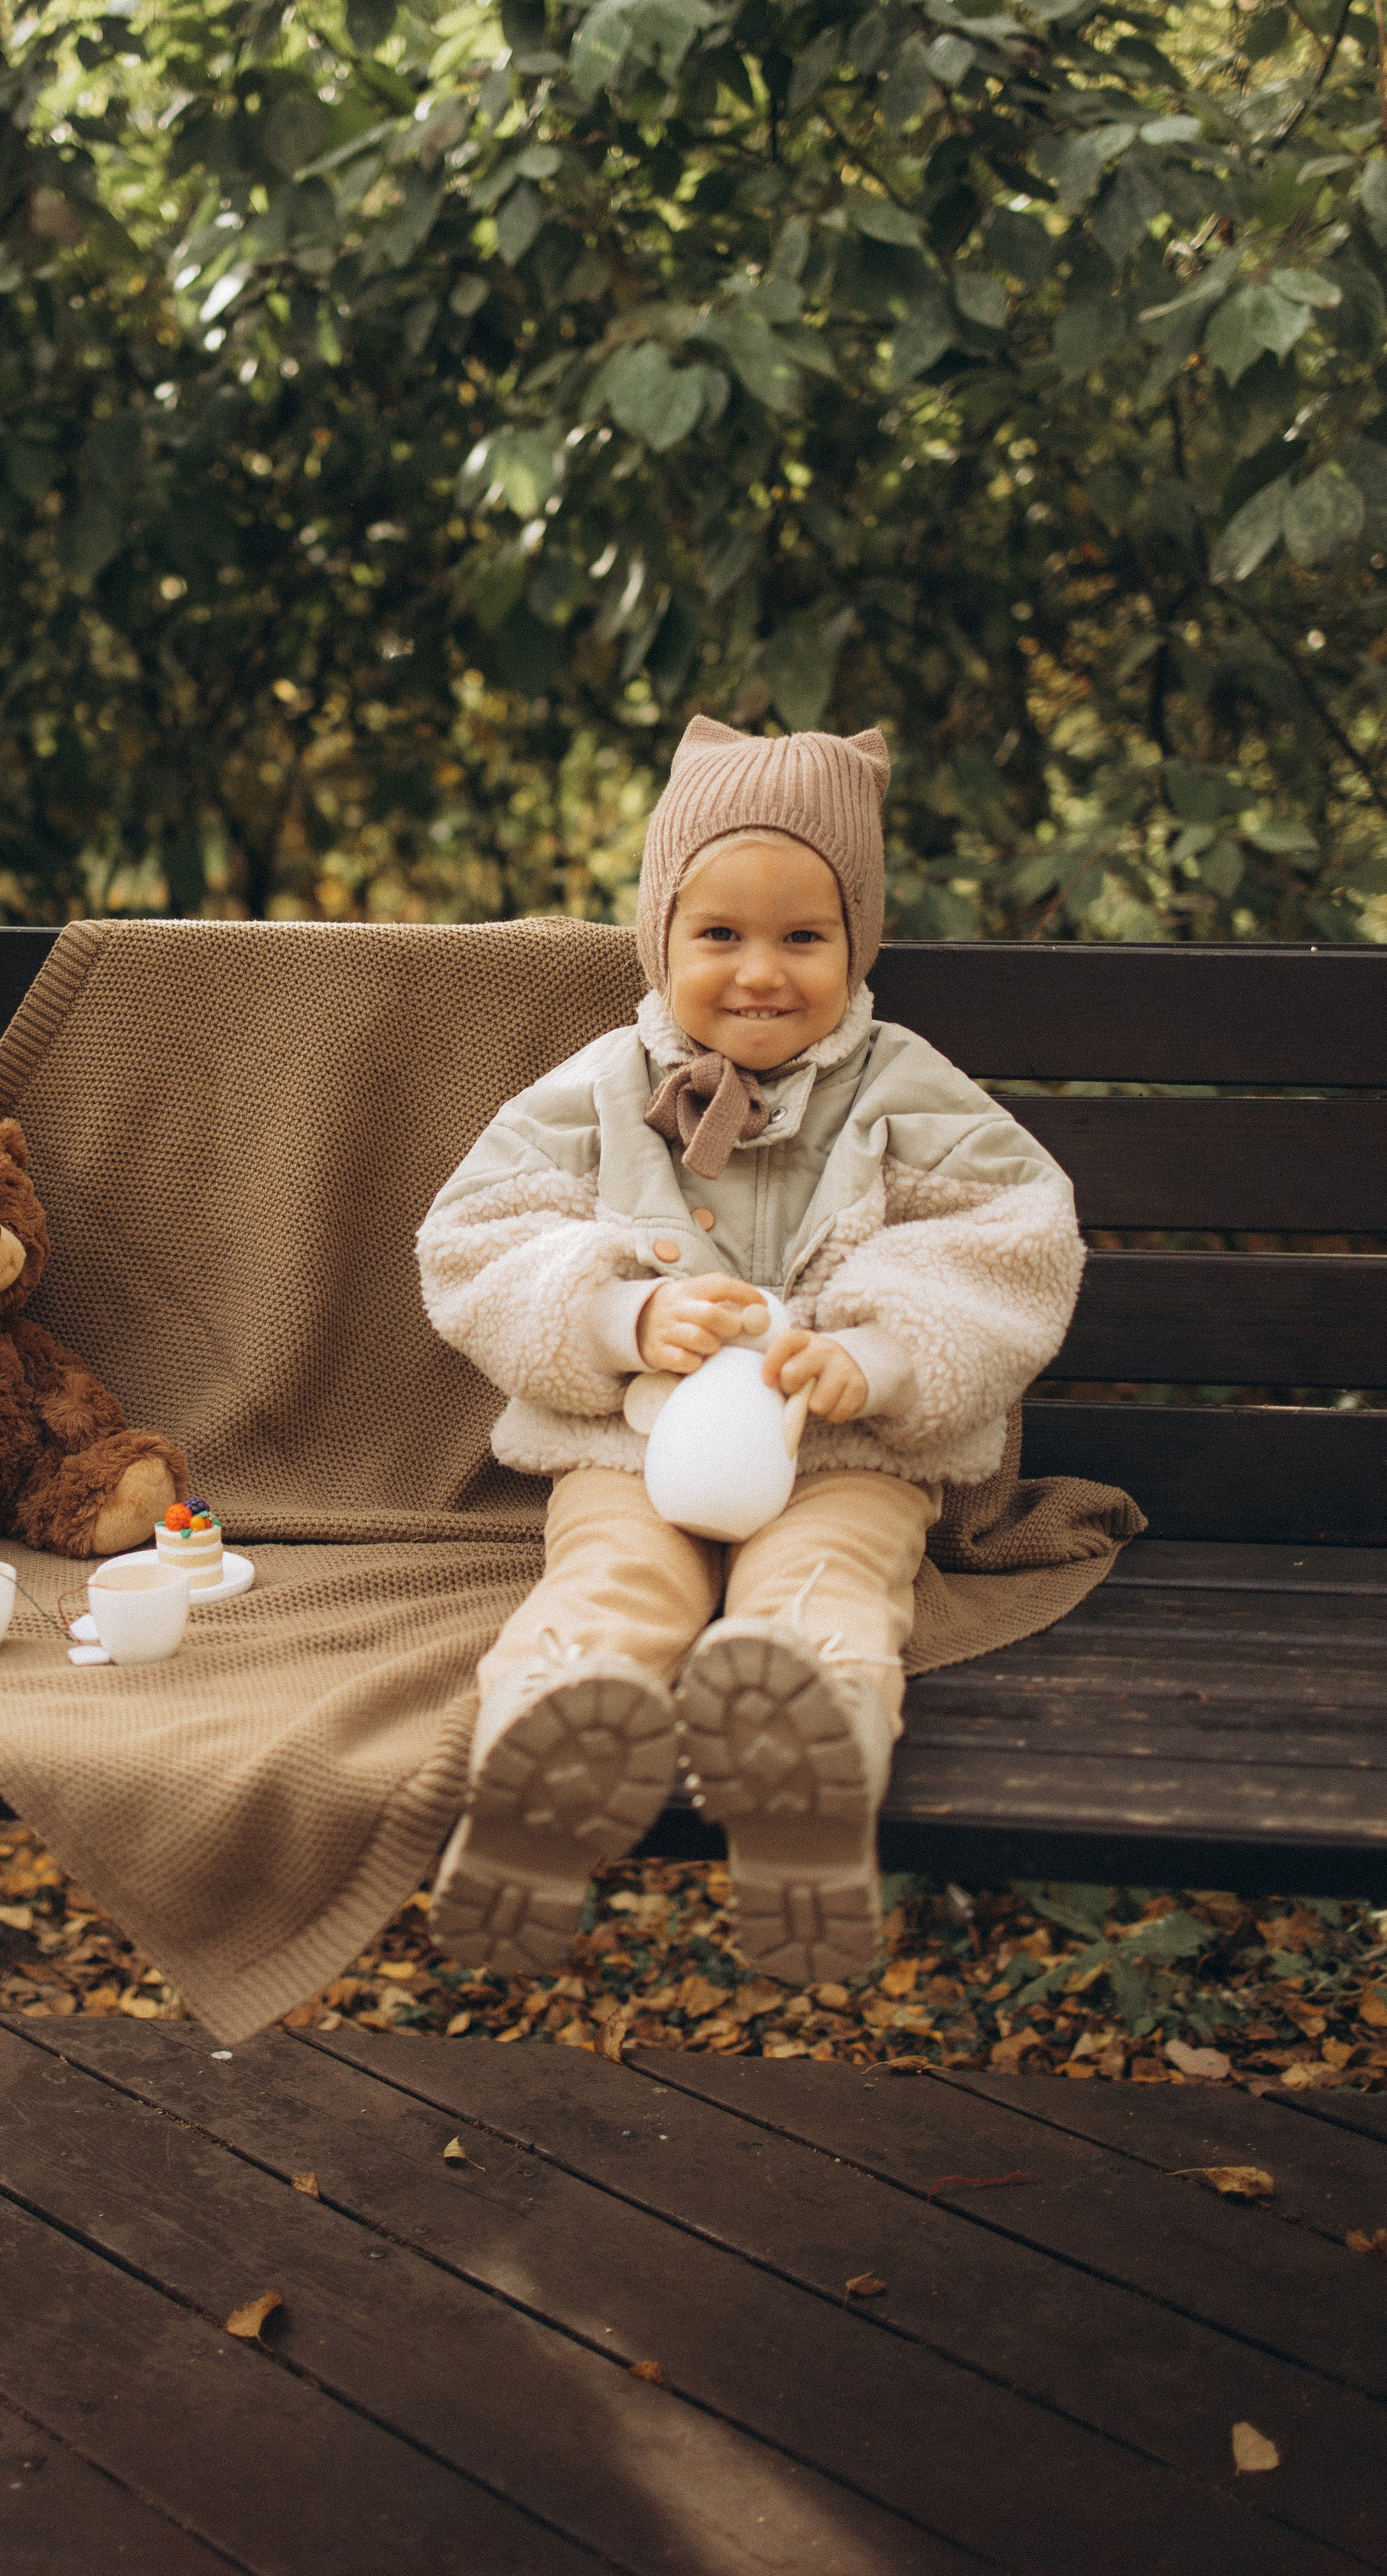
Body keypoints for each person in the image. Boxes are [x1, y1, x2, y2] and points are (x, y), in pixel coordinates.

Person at [416, 718, 1085, 1985]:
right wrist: (616, 1320)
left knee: (832, 1579)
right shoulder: (600, 1086)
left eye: (804, 937)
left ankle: (799, 1745)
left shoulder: (905, 1085)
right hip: (633, 1443)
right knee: (610, 1580)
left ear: (858, 944)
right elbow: (476, 1236)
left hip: (842, 1449)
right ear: (660, 939)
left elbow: (1012, 1233)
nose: (760, 972)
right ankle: (553, 1743)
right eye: (718, 934)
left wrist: (879, 1355)